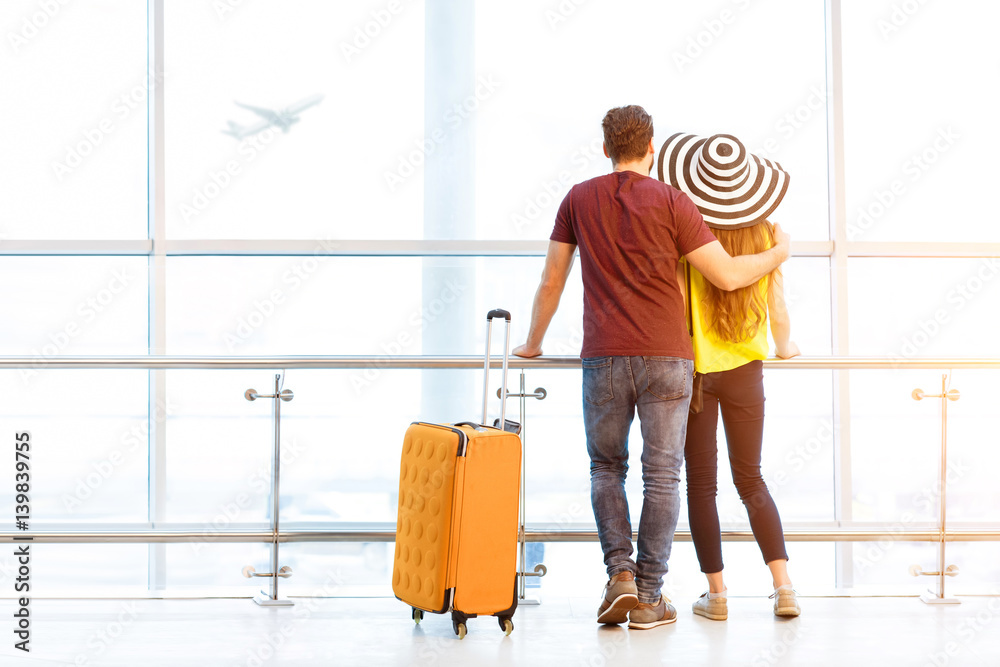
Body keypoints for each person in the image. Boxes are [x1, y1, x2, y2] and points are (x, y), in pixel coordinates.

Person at [512, 107, 791, 629]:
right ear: (652, 148)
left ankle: (619, 573)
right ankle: (648, 597)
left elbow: (552, 281)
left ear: (605, 149)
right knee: (663, 476)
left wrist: (532, 342)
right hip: (668, 358)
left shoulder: (578, 198)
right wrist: (778, 256)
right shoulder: (672, 201)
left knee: (606, 468)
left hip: (604, 355)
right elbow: (728, 277)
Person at [658, 131, 801, 620]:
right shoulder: (767, 238)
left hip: (697, 373)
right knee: (752, 479)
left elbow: (678, 305)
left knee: (701, 484)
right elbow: (777, 309)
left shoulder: (687, 234)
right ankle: (784, 587)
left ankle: (716, 595)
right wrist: (786, 347)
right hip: (748, 370)